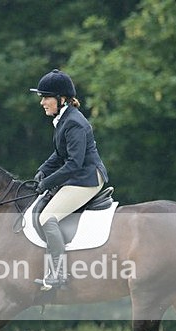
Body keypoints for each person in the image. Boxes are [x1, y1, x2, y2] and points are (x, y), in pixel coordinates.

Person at [30, 69, 109, 290]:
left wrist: (48, 182)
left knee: (47, 217)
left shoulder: (74, 123)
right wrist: (43, 170)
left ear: (61, 99)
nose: (42, 103)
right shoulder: (63, 119)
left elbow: (74, 163)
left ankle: (58, 273)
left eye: (46, 97)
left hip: (87, 178)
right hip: (78, 175)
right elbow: (59, 153)